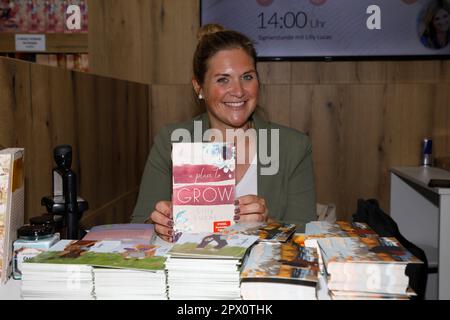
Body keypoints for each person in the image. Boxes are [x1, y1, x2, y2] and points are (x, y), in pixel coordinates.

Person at [131, 24, 316, 242]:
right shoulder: (172, 141)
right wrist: (158, 223)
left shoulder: (292, 146)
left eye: (247, 77)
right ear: (199, 87)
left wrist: (269, 225)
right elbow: (139, 224)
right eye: (223, 79)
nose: (238, 91)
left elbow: (306, 236)